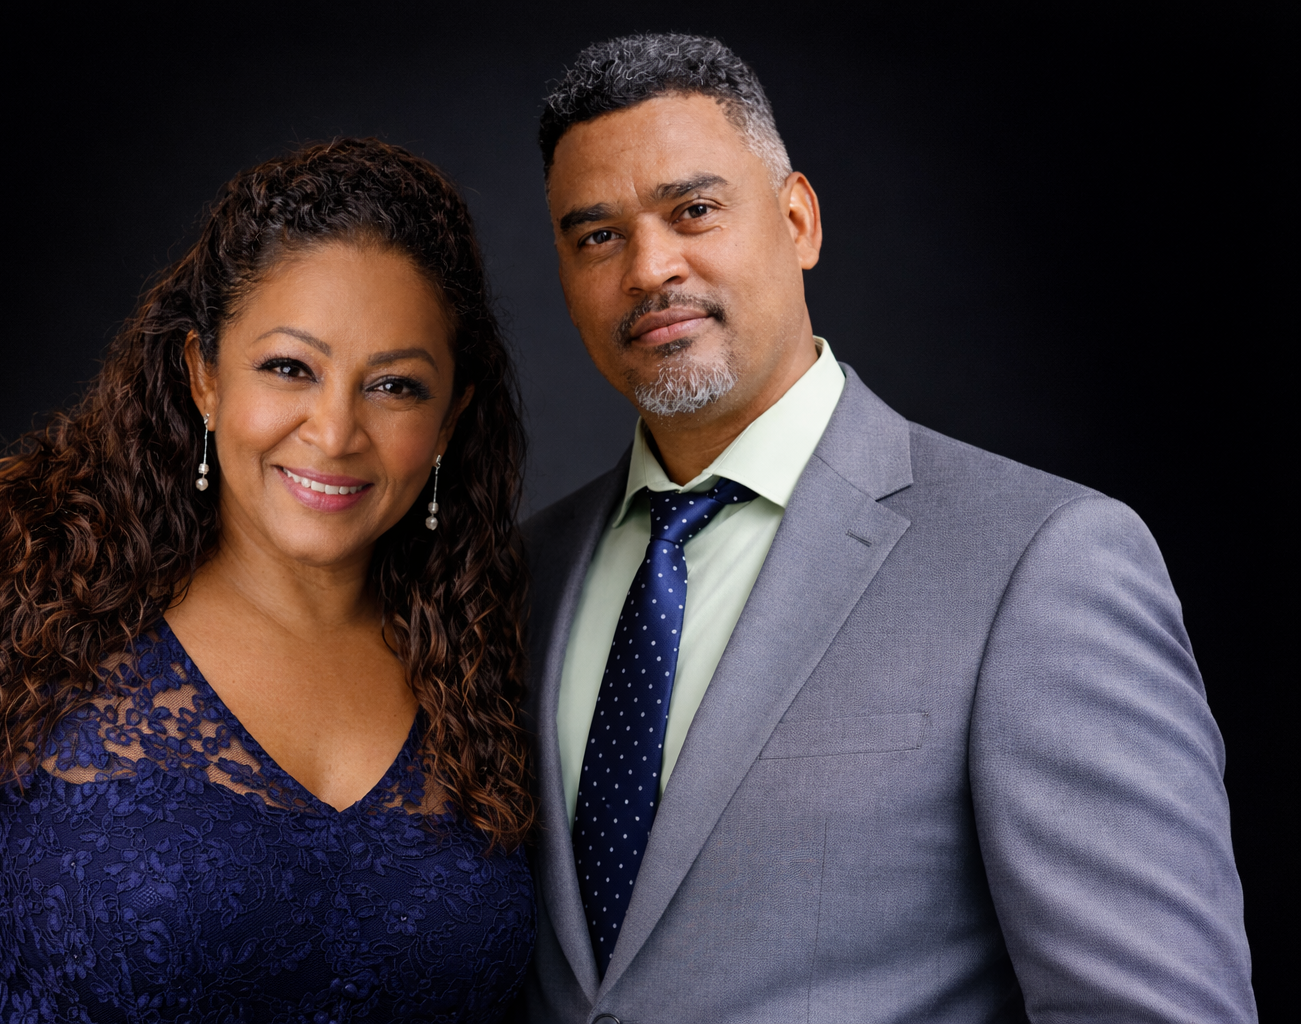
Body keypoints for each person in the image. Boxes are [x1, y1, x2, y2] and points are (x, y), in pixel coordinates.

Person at [517, 33, 1256, 1022]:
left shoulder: (1041, 563)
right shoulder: (524, 576)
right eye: (597, 236)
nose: (650, 267)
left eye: (693, 210)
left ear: (798, 220)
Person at [0, 139, 537, 1022]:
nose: (334, 431)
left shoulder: (500, 671)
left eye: (395, 386)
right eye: (289, 368)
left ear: (449, 422)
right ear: (204, 377)